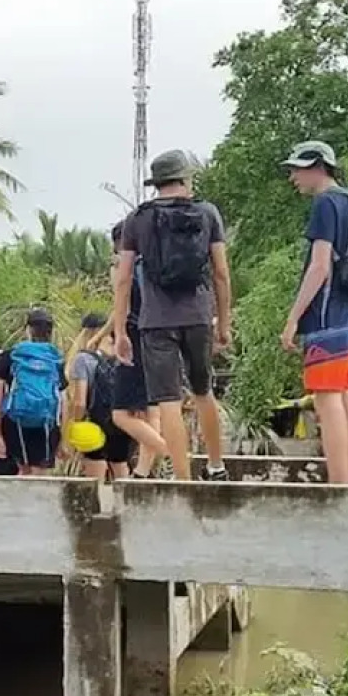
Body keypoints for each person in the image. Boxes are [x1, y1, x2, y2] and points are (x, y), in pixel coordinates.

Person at [115, 149, 232, 482]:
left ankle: (183, 480)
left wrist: (121, 330)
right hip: (198, 315)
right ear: (184, 178)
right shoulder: (208, 213)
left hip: (155, 321)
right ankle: (216, 466)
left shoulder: (138, 219)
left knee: (168, 400)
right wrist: (223, 322)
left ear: (158, 183)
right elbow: (221, 273)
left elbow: (123, 278)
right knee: (202, 389)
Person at [280, 141, 348, 486]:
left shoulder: (325, 203)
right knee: (346, 397)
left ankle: (339, 485)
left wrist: (293, 318)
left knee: (327, 401)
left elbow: (319, 267)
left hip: (327, 317)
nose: (293, 178)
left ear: (317, 166)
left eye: (297, 170)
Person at [107, 221, 167, 478]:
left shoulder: (124, 268)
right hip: (159, 338)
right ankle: (142, 472)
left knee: (120, 415)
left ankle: (172, 452)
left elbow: (123, 308)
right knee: (150, 410)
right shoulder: (155, 265)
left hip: (133, 339)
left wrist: (115, 336)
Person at [0, 307, 66, 476]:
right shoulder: (55, 359)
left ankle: (22, 501)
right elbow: (63, 401)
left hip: (16, 421)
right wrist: (63, 438)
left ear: (28, 330)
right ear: (51, 332)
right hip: (47, 422)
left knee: (23, 470)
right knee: (40, 472)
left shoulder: (12, 356)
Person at [66, 313, 133, 481]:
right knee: (120, 471)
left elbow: (80, 402)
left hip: (96, 423)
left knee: (95, 481)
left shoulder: (83, 359)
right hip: (122, 420)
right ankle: (125, 506)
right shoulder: (121, 356)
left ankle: (96, 507)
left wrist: (74, 424)